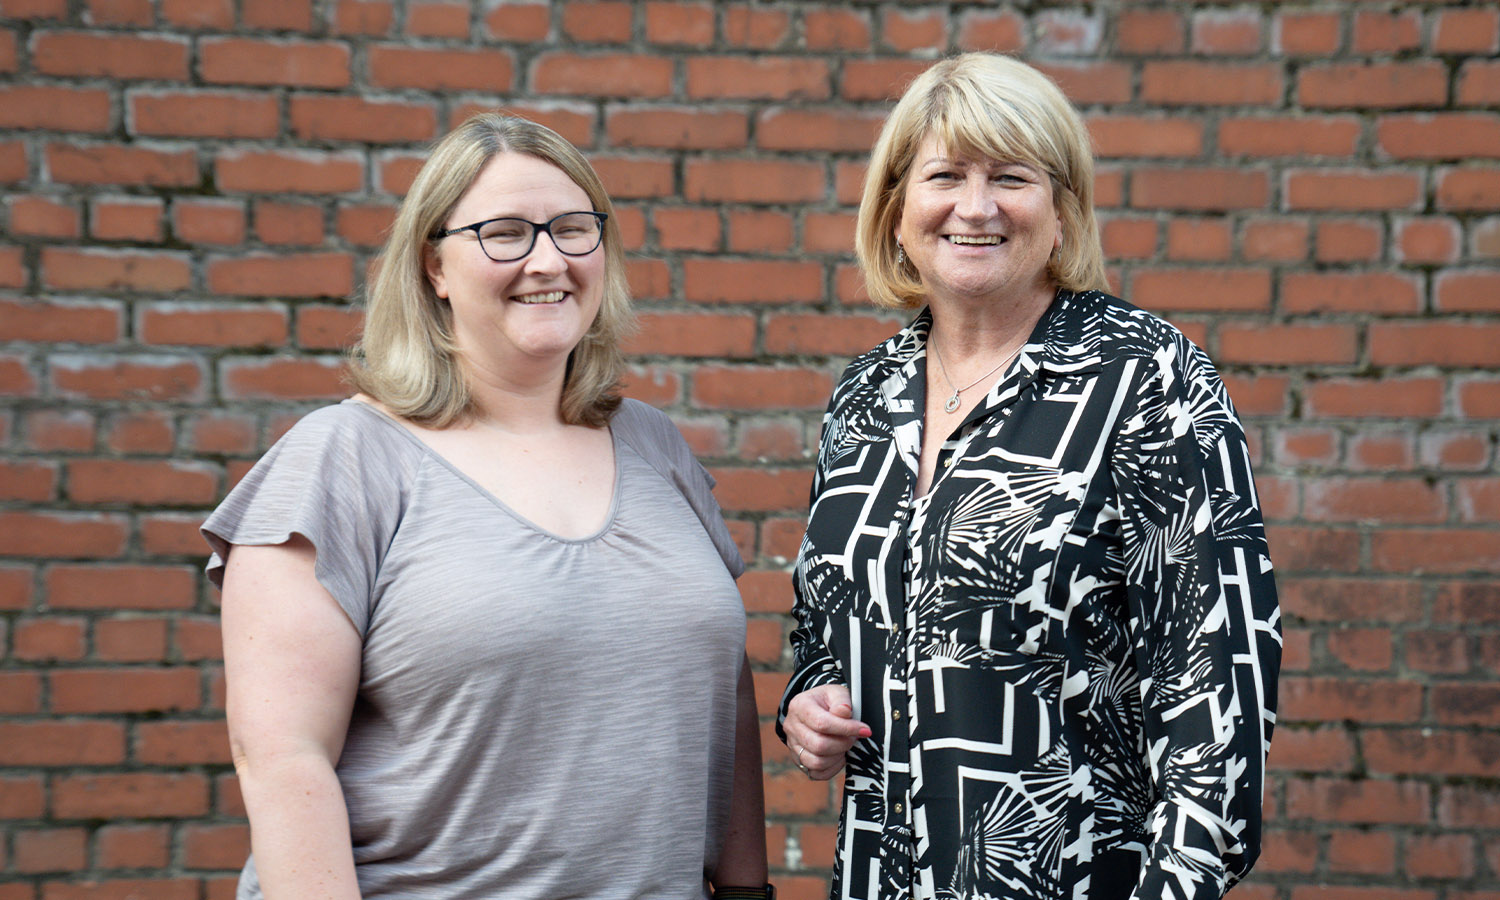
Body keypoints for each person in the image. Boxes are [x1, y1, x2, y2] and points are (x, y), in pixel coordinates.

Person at [204, 113, 770, 900]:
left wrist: (746, 891)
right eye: (504, 232)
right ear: (435, 265)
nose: (549, 259)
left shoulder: (653, 445)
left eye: (574, 228)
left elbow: (725, 699)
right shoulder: (340, 460)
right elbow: (280, 754)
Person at [778, 53, 1281, 900]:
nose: (976, 207)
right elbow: (827, 623)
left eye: (1011, 177)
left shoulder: (1145, 379)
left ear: (1061, 212)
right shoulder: (867, 393)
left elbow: (1216, 694)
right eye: (946, 176)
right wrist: (809, 704)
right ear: (899, 207)